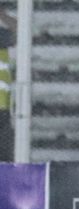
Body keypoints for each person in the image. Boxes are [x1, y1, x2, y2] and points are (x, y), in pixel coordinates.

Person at [0, 9, 15, 162]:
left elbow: (22, 33)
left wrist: (2, 15)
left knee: (4, 157)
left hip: (2, 105)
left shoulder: (1, 35)